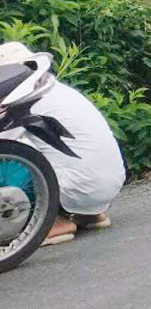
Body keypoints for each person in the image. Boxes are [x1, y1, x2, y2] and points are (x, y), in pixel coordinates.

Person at [0, 43, 126, 246]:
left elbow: (9, 149)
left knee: (8, 162)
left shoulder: (23, 101)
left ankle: (53, 223)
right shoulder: (54, 89)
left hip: (78, 186)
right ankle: (90, 215)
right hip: (106, 186)